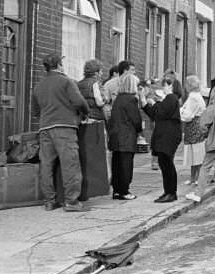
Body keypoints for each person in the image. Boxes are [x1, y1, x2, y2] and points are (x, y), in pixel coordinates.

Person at [31, 54, 88, 212]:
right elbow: (79, 102)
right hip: (64, 127)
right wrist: (85, 112)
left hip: (45, 128)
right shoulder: (66, 81)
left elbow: (35, 111)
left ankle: (49, 201)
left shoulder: (39, 85)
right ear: (59, 65)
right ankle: (71, 201)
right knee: (70, 163)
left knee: (46, 165)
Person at [143, 77, 182, 203]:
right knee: (164, 163)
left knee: (167, 163)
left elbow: (161, 112)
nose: (163, 88)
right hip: (165, 135)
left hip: (168, 135)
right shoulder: (168, 99)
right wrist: (145, 105)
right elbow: (155, 114)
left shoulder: (171, 98)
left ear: (170, 86)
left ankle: (171, 192)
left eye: (164, 85)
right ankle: (168, 191)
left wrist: (154, 103)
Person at [76, 59, 110, 200]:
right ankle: (102, 182)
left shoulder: (79, 84)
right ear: (96, 72)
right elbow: (99, 101)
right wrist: (106, 99)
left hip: (82, 120)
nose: (102, 74)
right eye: (101, 71)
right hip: (95, 119)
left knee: (84, 152)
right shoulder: (95, 83)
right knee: (100, 151)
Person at [107, 72, 143, 201]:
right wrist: (139, 129)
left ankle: (116, 190)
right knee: (126, 165)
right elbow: (136, 119)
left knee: (116, 164)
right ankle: (124, 190)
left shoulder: (118, 99)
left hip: (116, 136)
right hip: (127, 137)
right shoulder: (131, 99)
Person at [180, 75, 208, 201]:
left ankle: (196, 178)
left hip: (193, 126)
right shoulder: (197, 96)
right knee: (195, 152)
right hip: (197, 125)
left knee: (196, 153)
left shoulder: (192, 97)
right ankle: (193, 178)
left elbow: (188, 115)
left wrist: (180, 112)